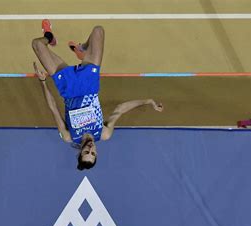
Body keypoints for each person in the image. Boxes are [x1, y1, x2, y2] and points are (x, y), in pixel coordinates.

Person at [32, 19, 163, 170]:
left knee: (37, 44)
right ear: (97, 154)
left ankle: (49, 36)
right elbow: (119, 109)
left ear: (80, 152)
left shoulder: (69, 136)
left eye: (86, 152)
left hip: (68, 87)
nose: (90, 149)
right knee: (98, 31)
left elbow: (53, 108)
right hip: (89, 83)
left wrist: (42, 82)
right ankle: (83, 49)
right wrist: (148, 101)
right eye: (93, 153)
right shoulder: (104, 133)